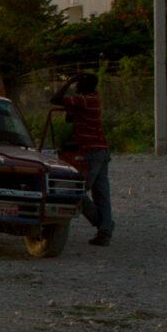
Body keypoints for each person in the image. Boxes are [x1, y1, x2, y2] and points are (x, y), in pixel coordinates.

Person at [50, 71, 112, 246]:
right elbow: (71, 118)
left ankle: (102, 224)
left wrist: (68, 83)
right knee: (101, 194)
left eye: (79, 83)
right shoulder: (93, 99)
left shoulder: (86, 100)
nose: (76, 86)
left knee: (75, 189)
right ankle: (105, 230)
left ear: (85, 85)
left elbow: (55, 99)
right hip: (101, 150)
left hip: (90, 151)